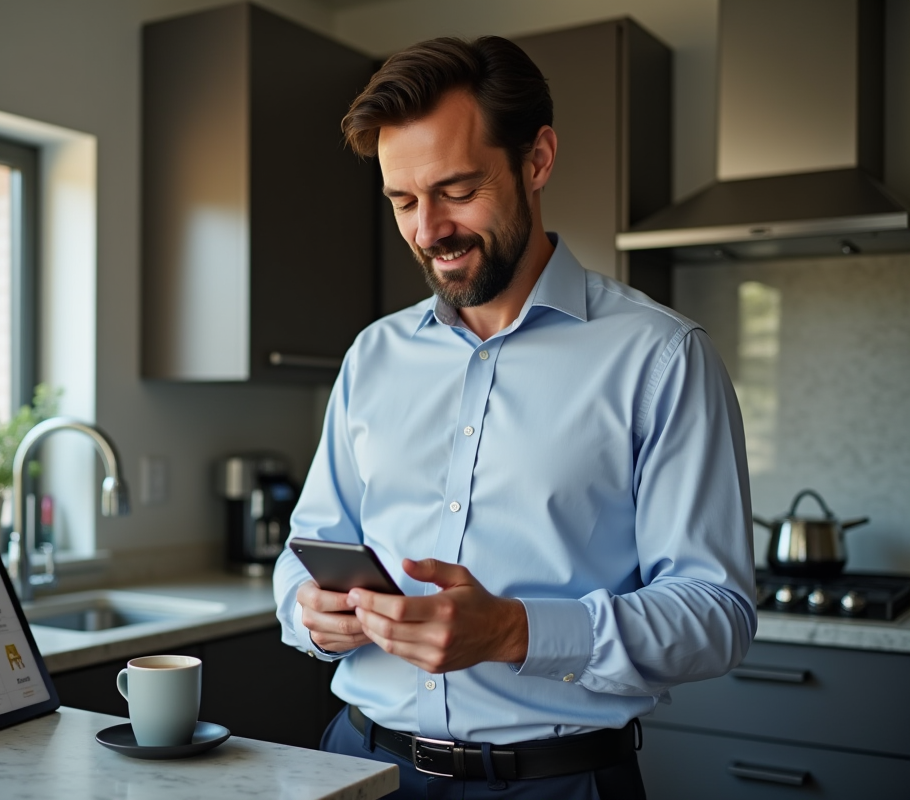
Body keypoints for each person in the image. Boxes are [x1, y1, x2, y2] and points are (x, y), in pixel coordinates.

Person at [272, 36, 756, 800]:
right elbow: (306, 554)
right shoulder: (373, 356)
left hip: (557, 783)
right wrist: (311, 613)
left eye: (458, 190)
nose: (429, 230)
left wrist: (516, 631)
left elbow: (716, 615)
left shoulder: (660, 358)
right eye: (404, 201)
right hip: (360, 766)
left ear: (537, 160)